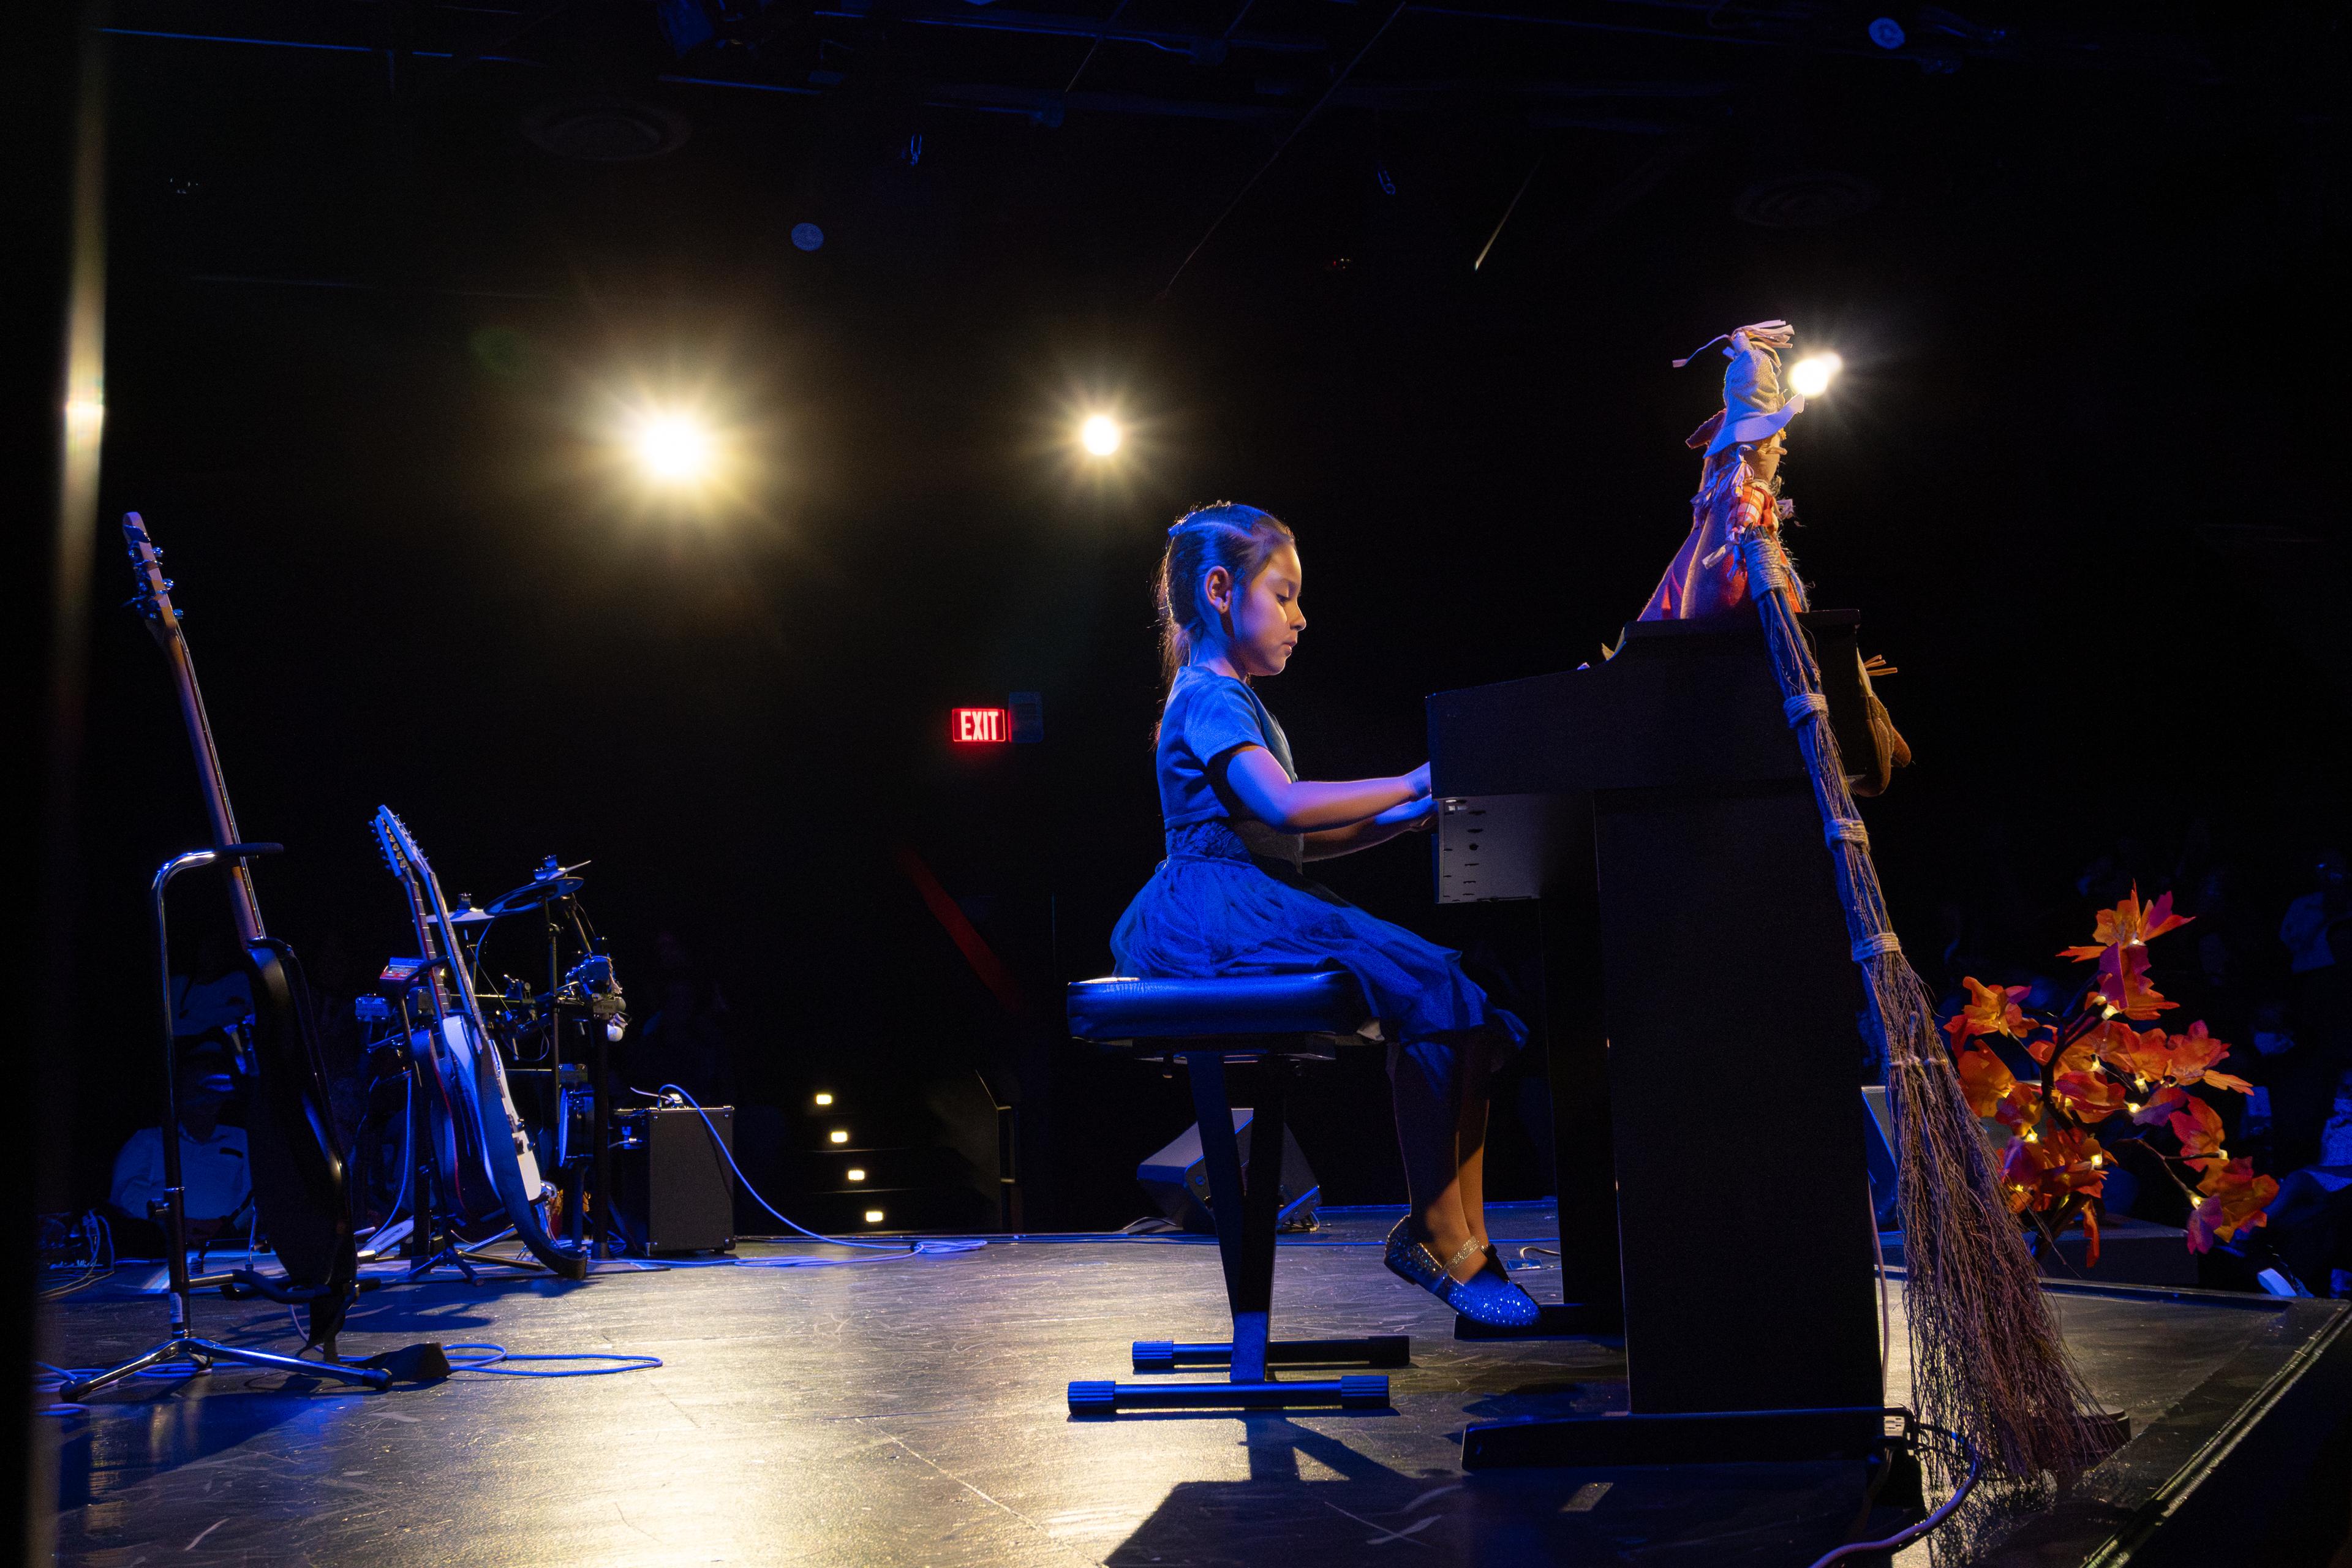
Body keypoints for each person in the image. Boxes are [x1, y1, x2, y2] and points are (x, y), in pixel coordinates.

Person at [1109, 503, 1540, 1326]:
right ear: (1221, 590)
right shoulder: (1206, 695)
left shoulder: (1235, 701)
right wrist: (1416, 781)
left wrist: (1412, 814)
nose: (1301, 619)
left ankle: (1464, 1241)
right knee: (1433, 988)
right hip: (1214, 909)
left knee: (1468, 1010)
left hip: (1257, 895)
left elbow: (1298, 842)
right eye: (1286, 596)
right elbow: (1286, 804)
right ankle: (1440, 1238)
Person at [108, 1052, 251, 1255]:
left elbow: (254, 1194)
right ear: (181, 1095)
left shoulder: (240, 1138)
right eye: (197, 1092)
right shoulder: (149, 1141)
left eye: (212, 1092)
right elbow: (124, 1197)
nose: (206, 1101)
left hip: (229, 1248)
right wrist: (174, 1225)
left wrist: (226, 1225)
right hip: (162, 1251)